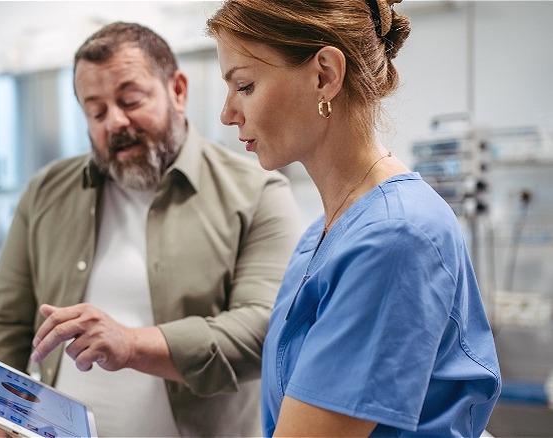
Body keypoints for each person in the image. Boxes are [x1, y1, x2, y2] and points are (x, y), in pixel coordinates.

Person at [0, 22, 303, 437]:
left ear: (177, 91)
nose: (114, 121)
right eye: (96, 111)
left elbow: (263, 333)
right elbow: (1, 329)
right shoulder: (45, 192)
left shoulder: (258, 193)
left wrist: (131, 343)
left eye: (130, 100)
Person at [206, 0, 501, 436]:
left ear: (324, 75)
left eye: (245, 86)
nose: (228, 113)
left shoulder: (395, 237)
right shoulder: (326, 233)